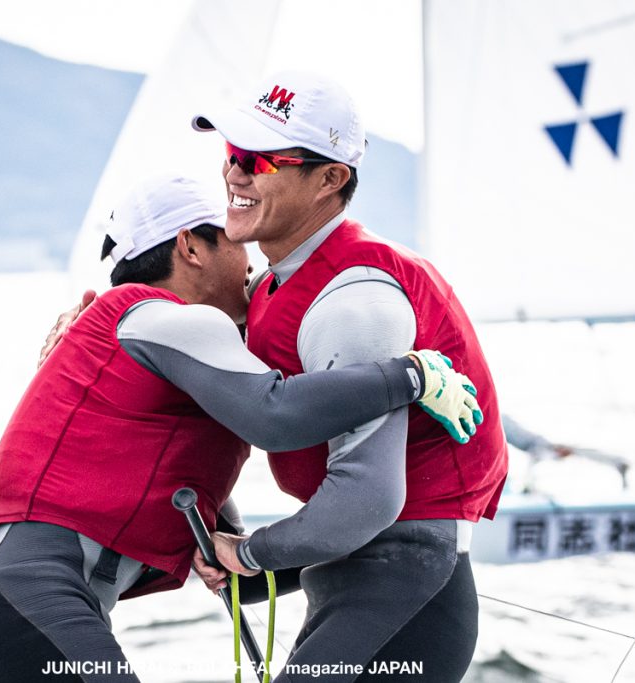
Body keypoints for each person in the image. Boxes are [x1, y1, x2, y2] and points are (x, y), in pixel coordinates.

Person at [0, 174, 483, 682]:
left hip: (10, 612)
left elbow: (208, 515)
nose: (252, 264)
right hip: (24, 608)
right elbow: (277, 414)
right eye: (234, 242)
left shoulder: (154, 342)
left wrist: (243, 554)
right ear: (192, 248)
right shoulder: (165, 319)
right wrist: (410, 375)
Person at [189, 70, 509, 682]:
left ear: (331, 179)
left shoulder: (353, 300)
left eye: (259, 160)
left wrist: (254, 555)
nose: (234, 173)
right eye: (232, 154)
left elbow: (369, 498)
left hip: (404, 586)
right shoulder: (282, 281)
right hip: (367, 580)